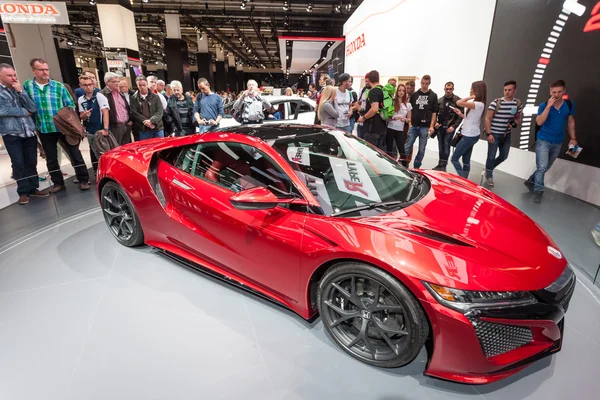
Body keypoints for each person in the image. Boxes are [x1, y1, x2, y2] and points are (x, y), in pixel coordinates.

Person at [24, 58, 90, 192]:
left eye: (46, 69)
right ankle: (58, 183)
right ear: (33, 71)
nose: (45, 72)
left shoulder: (58, 86)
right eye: (41, 70)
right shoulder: (28, 86)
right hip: (44, 128)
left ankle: (84, 179)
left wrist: (65, 116)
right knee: (51, 158)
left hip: (63, 127)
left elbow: (70, 104)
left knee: (75, 153)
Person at [0, 63, 49, 205]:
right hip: (11, 133)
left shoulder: (19, 89)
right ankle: (23, 192)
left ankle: (33, 187)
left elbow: (32, 107)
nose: (13, 78)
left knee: (31, 161)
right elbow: (3, 110)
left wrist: (21, 92)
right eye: (9, 75)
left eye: (14, 75)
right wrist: (24, 112)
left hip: (28, 131)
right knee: (18, 162)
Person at [525, 80, 577, 203]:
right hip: (543, 139)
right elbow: (539, 122)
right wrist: (548, 107)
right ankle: (538, 191)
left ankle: (531, 180)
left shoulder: (569, 104)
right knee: (542, 167)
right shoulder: (544, 105)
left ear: (564, 90)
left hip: (558, 141)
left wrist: (573, 138)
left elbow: (570, 122)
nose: (556, 94)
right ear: (550, 91)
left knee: (546, 166)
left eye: (559, 92)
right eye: (554, 92)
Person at [484, 80, 523, 186]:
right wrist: (489, 134)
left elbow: (518, 118)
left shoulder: (517, 103)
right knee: (491, 156)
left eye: (510, 90)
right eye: (505, 90)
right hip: (494, 133)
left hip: (506, 134)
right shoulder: (496, 103)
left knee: (504, 156)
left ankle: (489, 168)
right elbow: (488, 118)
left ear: (515, 90)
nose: (507, 92)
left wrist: (515, 123)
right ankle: (489, 175)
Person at [451, 81, 487, 179]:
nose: (470, 90)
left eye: (472, 88)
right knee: (466, 160)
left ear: (477, 90)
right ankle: (465, 179)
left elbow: (458, 102)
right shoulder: (478, 104)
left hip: (469, 136)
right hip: (471, 135)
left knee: (454, 158)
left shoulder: (478, 104)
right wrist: (460, 114)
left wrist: (471, 97)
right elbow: (470, 119)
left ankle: (463, 180)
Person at [77, 75, 109, 172]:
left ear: (93, 84)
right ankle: (98, 172)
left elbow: (105, 113)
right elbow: (81, 116)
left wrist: (106, 129)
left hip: (100, 130)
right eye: (85, 85)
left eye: (90, 84)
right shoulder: (81, 99)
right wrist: (85, 116)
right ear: (81, 86)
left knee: (104, 152)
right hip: (90, 131)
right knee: (94, 153)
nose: (88, 87)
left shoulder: (100, 96)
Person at [406, 75, 438, 169]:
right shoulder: (415, 95)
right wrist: (410, 123)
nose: (424, 85)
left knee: (421, 149)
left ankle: (417, 167)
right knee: (407, 146)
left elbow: (434, 112)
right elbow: (410, 110)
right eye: (423, 83)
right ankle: (402, 164)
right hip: (414, 125)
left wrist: (431, 126)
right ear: (421, 83)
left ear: (429, 83)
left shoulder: (433, 95)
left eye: (426, 83)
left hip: (425, 126)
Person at [433, 82, 462, 171]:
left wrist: (454, 127)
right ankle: (440, 164)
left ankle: (443, 165)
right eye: (447, 89)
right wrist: (435, 123)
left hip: (450, 127)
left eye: (450, 89)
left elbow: (461, 116)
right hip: (440, 127)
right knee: (440, 146)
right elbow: (434, 113)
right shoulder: (440, 100)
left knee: (446, 145)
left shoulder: (458, 101)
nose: (448, 91)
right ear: (444, 89)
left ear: (453, 89)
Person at [100, 72, 132, 146]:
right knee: (116, 149)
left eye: (118, 81)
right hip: (114, 127)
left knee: (128, 149)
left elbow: (126, 108)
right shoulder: (102, 94)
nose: (117, 84)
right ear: (107, 82)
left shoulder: (120, 93)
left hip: (126, 125)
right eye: (114, 82)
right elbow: (103, 113)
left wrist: (130, 120)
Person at [357, 70, 387, 149]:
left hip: (372, 129)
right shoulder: (383, 90)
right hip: (382, 127)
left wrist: (363, 118)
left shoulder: (373, 92)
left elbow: (374, 109)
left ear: (369, 79)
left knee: (370, 154)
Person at [130, 75, 164, 140]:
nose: (142, 87)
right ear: (137, 86)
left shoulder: (155, 97)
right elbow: (135, 113)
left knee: (161, 148)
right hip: (143, 129)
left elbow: (160, 111)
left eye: (144, 85)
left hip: (157, 127)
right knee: (146, 148)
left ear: (147, 84)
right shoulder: (134, 98)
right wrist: (147, 122)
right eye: (140, 85)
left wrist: (151, 120)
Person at [386, 83, 412, 163]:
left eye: (403, 91)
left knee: (402, 150)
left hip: (400, 130)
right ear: (397, 91)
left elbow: (409, 120)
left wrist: (405, 119)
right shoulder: (392, 103)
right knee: (389, 149)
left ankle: (404, 166)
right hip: (390, 128)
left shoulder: (408, 105)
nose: (401, 92)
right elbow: (387, 118)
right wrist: (395, 118)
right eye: (399, 90)